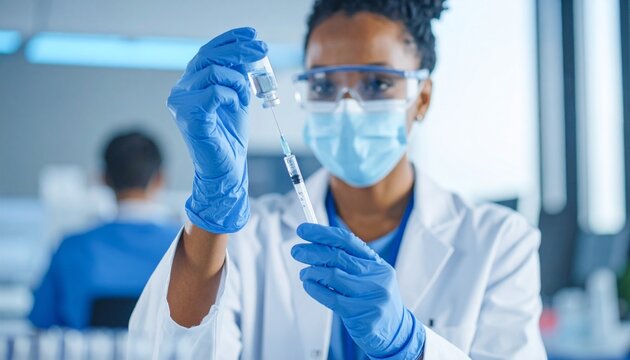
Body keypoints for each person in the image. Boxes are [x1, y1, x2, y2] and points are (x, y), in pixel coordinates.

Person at [130, 0, 546, 358]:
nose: (347, 107)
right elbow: (166, 352)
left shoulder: (500, 243)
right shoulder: (250, 237)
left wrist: (412, 347)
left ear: (422, 97)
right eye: (325, 85)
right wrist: (212, 207)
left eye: (378, 83)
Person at [29, 130, 180, 329]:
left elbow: (41, 321)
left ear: (104, 178)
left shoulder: (71, 248)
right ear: (161, 178)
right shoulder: (186, 247)